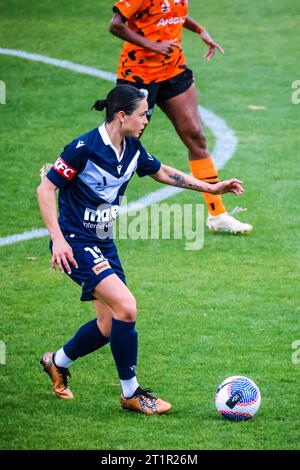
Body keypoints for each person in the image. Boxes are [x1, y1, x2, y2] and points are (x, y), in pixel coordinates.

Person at [37, 85, 245, 415]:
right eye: (142, 113)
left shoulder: (132, 147)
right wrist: (58, 239)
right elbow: (46, 187)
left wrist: (211, 186)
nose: (147, 118)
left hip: (103, 242)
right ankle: (131, 393)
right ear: (122, 116)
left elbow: (161, 171)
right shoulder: (83, 149)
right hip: (76, 242)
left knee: (108, 325)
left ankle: (56, 361)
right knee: (127, 307)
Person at [109, 0, 252, 234]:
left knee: (196, 137)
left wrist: (199, 29)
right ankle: (85, 195)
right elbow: (115, 25)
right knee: (122, 145)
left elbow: (172, 15)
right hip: (138, 76)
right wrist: (152, 46)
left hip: (173, 71)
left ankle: (217, 214)